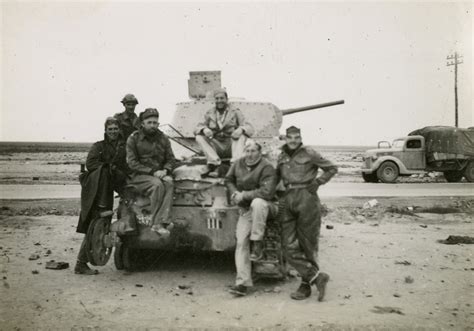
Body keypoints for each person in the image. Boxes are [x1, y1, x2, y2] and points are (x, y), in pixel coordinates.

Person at [277, 126, 338, 300]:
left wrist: (319, 182)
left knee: (308, 245)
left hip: (306, 198)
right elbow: (275, 176)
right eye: (290, 137)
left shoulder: (309, 153)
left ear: (300, 138)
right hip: (287, 198)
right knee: (287, 245)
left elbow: (332, 168)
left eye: (297, 137)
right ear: (286, 138)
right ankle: (317, 277)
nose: (293, 140)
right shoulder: (281, 155)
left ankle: (305, 287)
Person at [75, 117, 130, 275]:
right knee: (94, 225)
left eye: (115, 128)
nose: (113, 131)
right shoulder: (98, 146)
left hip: (112, 187)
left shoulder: (123, 147)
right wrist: (107, 167)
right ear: (105, 130)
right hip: (97, 190)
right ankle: (80, 263)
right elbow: (90, 164)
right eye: (110, 129)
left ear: (119, 130)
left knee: (104, 222)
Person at [225, 140, 277, 296]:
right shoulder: (238, 163)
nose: (250, 154)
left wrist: (243, 195)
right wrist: (234, 193)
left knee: (258, 202)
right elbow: (228, 179)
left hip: (266, 207)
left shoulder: (267, 166)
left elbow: (267, 192)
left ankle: (257, 242)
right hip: (246, 209)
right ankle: (242, 283)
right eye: (247, 150)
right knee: (241, 241)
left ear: (260, 152)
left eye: (253, 151)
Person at [126, 108, 175, 235]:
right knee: (157, 185)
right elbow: (132, 163)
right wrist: (153, 171)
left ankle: (163, 220)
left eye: (155, 122)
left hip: (158, 174)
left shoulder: (163, 138)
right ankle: (156, 223)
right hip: (138, 176)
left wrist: (165, 170)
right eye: (150, 122)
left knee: (169, 183)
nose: (153, 125)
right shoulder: (134, 139)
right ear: (143, 123)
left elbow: (170, 158)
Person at [194, 88, 254, 176]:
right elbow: (197, 128)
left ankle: (235, 166)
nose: (219, 101)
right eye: (217, 98)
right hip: (216, 145)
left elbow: (249, 127)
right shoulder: (209, 113)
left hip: (231, 145)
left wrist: (241, 129)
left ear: (226, 99)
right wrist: (204, 129)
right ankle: (215, 164)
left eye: (222, 98)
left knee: (241, 136)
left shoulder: (235, 112)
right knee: (199, 137)